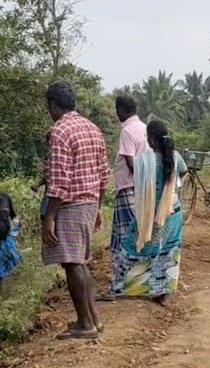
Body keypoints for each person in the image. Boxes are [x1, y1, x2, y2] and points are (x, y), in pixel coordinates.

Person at [42, 82, 110, 340]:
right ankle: (93, 319)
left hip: (70, 205)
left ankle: (85, 324)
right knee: (80, 263)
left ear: (52, 105)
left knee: (72, 264)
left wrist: (50, 216)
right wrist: (98, 207)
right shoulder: (92, 128)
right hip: (90, 202)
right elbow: (104, 174)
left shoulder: (60, 131)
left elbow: (59, 179)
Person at [112, 120, 187, 306]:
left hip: (149, 213)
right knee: (168, 251)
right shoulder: (176, 157)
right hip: (173, 211)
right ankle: (163, 291)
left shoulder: (145, 160)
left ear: (152, 139)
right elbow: (184, 173)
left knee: (131, 246)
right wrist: (173, 187)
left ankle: (127, 285)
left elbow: (134, 174)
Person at [99, 95, 149, 301]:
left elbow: (130, 163)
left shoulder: (127, 130)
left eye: (116, 109)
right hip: (142, 190)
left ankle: (121, 285)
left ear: (121, 109)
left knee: (123, 238)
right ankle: (138, 281)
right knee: (139, 235)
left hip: (129, 189)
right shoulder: (144, 128)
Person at [0, 192, 22, 283]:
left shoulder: (6, 197)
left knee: (4, 270)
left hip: (6, 241)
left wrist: (16, 224)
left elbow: (13, 216)